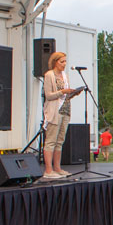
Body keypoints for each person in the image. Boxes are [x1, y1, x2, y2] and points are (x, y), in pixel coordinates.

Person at [40, 51, 82, 179]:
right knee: (51, 141)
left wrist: (73, 93)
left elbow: (65, 96)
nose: (64, 64)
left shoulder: (65, 75)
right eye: (62, 61)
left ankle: (57, 168)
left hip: (66, 110)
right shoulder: (49, 75)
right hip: (55, 111)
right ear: (55, 62)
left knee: (60, 141)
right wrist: (62, 91)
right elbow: (49, 95)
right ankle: (48, 170)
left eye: (65, 61)